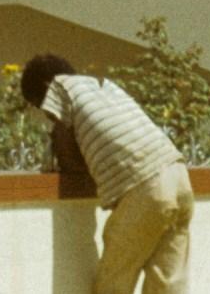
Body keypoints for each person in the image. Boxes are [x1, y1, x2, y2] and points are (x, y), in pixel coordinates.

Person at [22, 52, 192, 294]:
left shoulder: (59, 87)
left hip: (147, 186)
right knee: (167, 284)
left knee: (113, 283)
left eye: (43, 107)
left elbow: (68, 158)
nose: (48, 114)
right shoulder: (103, 87)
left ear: (45, 88)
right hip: (178, 175)